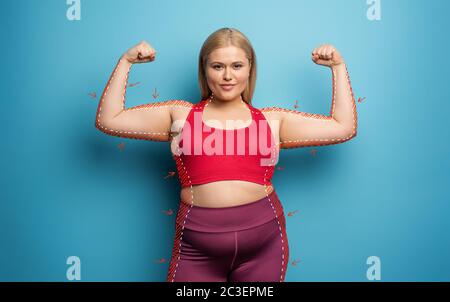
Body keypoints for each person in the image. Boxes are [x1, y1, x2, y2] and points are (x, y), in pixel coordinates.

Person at [94, 27, 358, 282]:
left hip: (264, 246)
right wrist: (125, 62)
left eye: (237, 66)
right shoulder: (180, 115)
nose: (227, 76)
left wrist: (338, 67)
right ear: (205, 70)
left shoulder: (272, 120)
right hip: (197, 249)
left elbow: (343, 127)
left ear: (250, 69)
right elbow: (109, 120)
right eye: (217, 66)